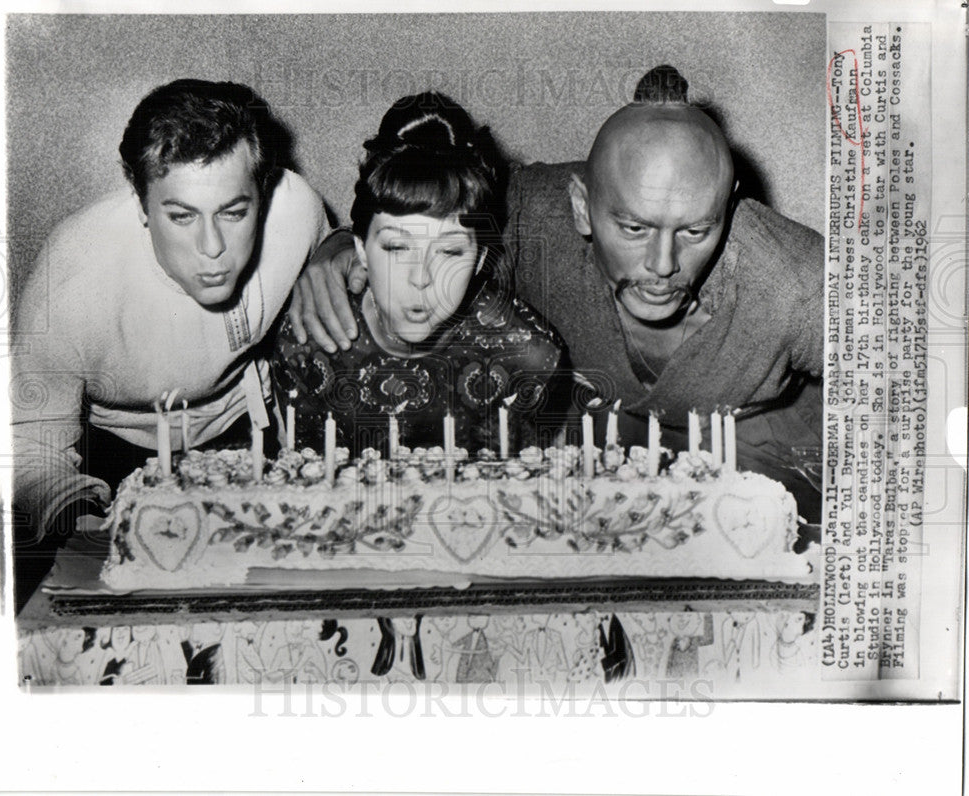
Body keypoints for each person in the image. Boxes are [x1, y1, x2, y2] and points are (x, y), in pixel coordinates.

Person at [291, 67, 824, 520]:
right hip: (602, 450)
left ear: (729, 206)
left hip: (761, 451)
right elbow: (427, 206)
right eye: (633, 229)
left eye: (695, 231)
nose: (664, 266)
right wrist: (337, 249)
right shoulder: (532, 216)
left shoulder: (797, 285)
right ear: (579, 206)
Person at [11, 79, 328, 607]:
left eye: (234, 212)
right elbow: (32, 444)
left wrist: (339, 250)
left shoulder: (297, 212)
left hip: (245, 433)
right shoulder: (69, 279)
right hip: (109, 462)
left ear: (265, 190)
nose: (213, 249)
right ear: (140, 201)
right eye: (181, 216)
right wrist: (78, 515)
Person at [271, 92, 568, 455]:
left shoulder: (529, 359)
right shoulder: (310, 347)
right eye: (397, 248)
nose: (421, 278)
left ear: (479, 261)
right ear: (361, 249)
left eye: (449, 251)